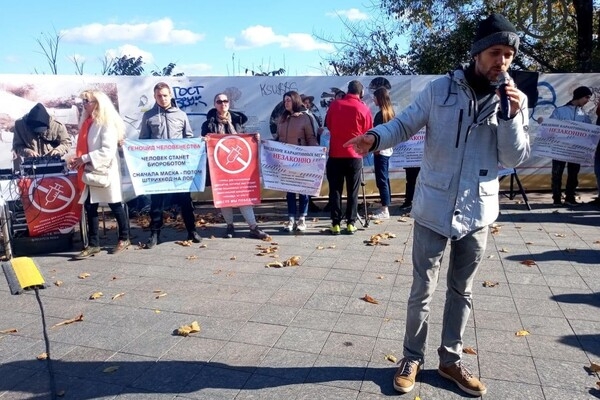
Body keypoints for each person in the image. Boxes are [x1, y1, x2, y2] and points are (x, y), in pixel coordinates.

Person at [344, 13, 529, 397]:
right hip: (433, 205)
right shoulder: (440, 90)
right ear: (478, 53)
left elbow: (513, 157)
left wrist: (510, 116)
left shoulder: (515, 99)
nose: (502, 62)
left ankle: (450, 360)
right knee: (422, 289)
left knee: (462, 290)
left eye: (508, 55)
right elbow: (404, 124)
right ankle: (412, 357)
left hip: (477, 211)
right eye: (495, 52)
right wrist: (374, 138)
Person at [139, 82, 202, 248]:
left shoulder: (181, 115)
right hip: (158, 167)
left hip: (179, 167)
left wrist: (198, 143)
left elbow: (189, 138)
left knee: (185, 200)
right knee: (156, 203)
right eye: (159, 96)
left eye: (165, 95)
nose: (163, 98)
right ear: (154, 97)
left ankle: (192, 230)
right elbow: (143, 140)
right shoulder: (149, 116)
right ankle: (154, 234)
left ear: (170, 96)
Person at [70, 90, 130, 258]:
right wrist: (80, 159)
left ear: (97, 103)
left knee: (115, 204)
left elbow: (107, 150)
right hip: (91, 170)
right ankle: (93, 244)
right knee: (90, 207)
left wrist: (84, 158)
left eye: (87, 101)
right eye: (83, 101)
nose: (84, 104)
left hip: (104, 170)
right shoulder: (88, 122)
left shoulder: (106, 122)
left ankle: (124, 238)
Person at [201, 93, 268, 239]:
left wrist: (254, 138)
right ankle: (230, 226)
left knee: (243, 196)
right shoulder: (208, 125)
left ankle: (253, 227)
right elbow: (205, 146)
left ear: (229, 103)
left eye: (225, 101)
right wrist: (205, 140)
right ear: (215, 104)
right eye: (219, 101)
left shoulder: (237, 121)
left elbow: (244, 141)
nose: (223, 104)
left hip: (238, 168)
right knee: (224, 197)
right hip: (219, 168)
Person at [325, 80, 373, 235]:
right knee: (353, 191)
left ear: (348, 90)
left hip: (335, 154)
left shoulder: (334, 105)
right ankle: (351, 223)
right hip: (354, 155)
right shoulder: (363, 108)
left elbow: (329, 125)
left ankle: (335, 224)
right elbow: (368, 131)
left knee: (335, 190)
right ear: (361, 93)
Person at [275, 91, 319, 232]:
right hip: (286, 160)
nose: (286, 103)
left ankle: (302, 219)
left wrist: (315, 154)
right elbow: (279, 138)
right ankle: (291, 219)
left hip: (302, 159)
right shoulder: (282, 118)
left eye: (288, 100)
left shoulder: (305, 118)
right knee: (289, 191)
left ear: (295, 100)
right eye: (285, 100)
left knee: (303, 190)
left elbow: (311, 137)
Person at [549, 86, 592, 206]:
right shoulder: (560, 111)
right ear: (579, 96)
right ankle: (556, 198)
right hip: (560, 148)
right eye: (586, 97)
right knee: (557, 173)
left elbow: (589, 130)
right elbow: (550, 127)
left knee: (573, 174)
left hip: (576, 149)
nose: (588, 100)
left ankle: (570, 197)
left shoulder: (583, 114)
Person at [12, 103, 71, 168]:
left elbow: (66, 143)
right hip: (31, 166)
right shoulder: (20, 125)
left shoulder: (57, 125)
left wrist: (58, 150)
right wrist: (27, 151)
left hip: (53, 164)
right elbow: (17, 146)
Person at [370, 87, 394, 220]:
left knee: (382, 179)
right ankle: (385, 204)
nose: (373, 100)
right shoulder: (388, 112)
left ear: (380, 98)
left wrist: (377, 148)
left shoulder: (381, 115)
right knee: (384, 178)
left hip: (381, 150)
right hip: (386, 149)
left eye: (375, 97)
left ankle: (385, 210)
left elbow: (379, 134)